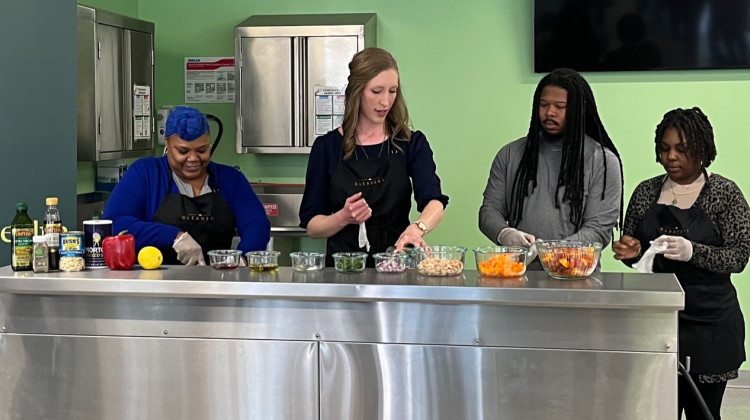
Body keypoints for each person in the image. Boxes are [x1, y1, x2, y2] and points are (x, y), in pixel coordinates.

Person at [612, 107, 749, 419]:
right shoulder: (646, 192)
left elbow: (739, 256)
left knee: (704, 412)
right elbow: (634, 252)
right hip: (656, 321)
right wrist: (630, 252)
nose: (671, 157)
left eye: (681, 149)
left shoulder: (725, 194)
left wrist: (693, 251)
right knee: (659, 410)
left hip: (710, 323)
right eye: (664, 149)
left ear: (703, 150)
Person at [298, 47, 449, 267]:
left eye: (392, 91)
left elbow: (435, 202)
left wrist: (417, 229)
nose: (385, 102)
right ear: (357, 92)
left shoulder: (410, 143)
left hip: (397, 266)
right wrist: (343, 217)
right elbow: (313, 226)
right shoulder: (326, 148)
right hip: (344, 272)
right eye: (377, 91)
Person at [478, 67, 623, 269]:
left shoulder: (603, 161)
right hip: (517, 275)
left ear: (578, 110)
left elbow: (598, 229)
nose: (549, 113)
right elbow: (489, 211)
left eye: (560, 106)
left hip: (577, 277)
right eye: (543, 105)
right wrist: (505, 234)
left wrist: (551, 252)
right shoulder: (510, 154)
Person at [104, 106, 270, 265]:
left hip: (217, 282)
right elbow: (115, 224)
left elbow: (256, 223)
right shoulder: (145, 174)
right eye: (183, 151)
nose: (193, 159)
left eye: (202, 150)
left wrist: (244, 258)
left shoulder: (231, 179)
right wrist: (174, 236)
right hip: (154, 284)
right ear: (167, 144)